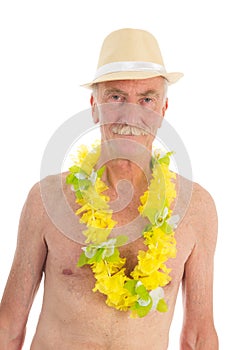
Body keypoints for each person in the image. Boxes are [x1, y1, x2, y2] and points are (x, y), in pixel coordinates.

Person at [0, 28, 218, 350]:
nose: (131, 114)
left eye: (147, 99)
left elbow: (199, 335)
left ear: (162, 111)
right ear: (94, 105)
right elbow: (9, 325)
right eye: (116, 97)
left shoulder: (196, 207)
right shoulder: (47, 200)